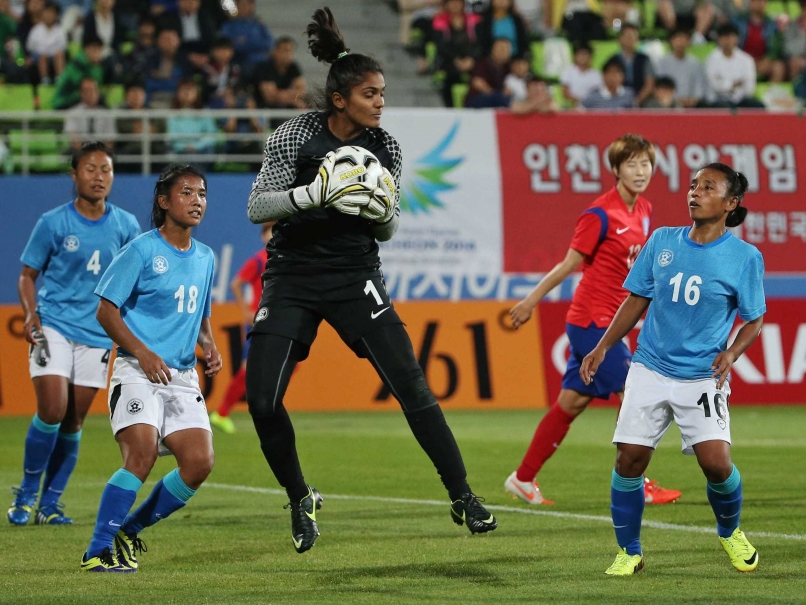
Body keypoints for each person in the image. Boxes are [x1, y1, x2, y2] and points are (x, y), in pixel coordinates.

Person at [245, 7, 498, 554]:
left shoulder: (386, 148)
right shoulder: (295, 136)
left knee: (411, 385)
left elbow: (387, 228)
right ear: (341, 100)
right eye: (371, 94)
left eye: (382, 93)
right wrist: (311, 195)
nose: (381, 102)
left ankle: (463, 496)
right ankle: (299, 497)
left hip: (356, 275)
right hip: (292, 276)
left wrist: (380, 209)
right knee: (262, 401)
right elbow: (255, 205)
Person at [581, 163, 765, 575]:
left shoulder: (745, 258)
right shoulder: (662, 240)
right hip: (650, 367)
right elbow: (636, 300)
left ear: (731, 203)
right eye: (694, 185)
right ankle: (629, 551)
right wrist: (603, 346)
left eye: (708, 187)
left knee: (717, 464)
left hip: (702, 376)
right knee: (628, 460)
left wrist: (733, 353)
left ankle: (730, 531)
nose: (695, 192)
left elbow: (754, 319)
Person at [505, 134, 682, 506]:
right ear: (615, 170)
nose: (640, 171)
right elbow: (570, 264)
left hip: (613, 320)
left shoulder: (645, 209)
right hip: (591, 322)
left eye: (645, 164)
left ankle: (522, 479)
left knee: (570, 403)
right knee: (632, 394)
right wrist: (530, 301)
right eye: (631, 164)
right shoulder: (599, 214)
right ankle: (639, 483)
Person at [81, 164, 221, 572]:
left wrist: (208, 345)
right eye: (187, 193)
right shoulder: (141, 250)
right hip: (137, 372)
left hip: (180, 377)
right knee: (140, 453)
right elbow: (106, 311)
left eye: (202, 193)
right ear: (164, 201)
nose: (197, 201)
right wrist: (141, 352)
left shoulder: (206, 257)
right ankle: (98, 548)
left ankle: (130, 529)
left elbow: (200, 311)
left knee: (199, 462)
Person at [9, 142, 140, 527]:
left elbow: (135, 280)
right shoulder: (53, 223)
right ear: (74, 175)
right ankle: (28, 492)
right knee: (51, 410)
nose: (99, 177)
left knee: (73, 421)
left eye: (106, 170)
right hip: (54, 325)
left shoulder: (126, 225)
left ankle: (50, 504)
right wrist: (31, 314)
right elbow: (27, 276)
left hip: (97, 334)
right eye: (91, 169)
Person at [210, 221, 274, 434]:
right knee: (249, 371)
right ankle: (222, 412)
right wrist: (246, 311)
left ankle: (265, 404)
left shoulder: (285, 259)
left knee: (290, 363)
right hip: (260, 322)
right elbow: (236, 283)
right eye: (269, 232)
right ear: (263, 236)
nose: (273, 236)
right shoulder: (258, 260)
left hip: (278, 321)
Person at [705, 23, 765, 108]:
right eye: (725, 38)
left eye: (731, 37)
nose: (728, 41)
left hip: (740, 99)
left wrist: (725, 84)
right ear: (719, 39)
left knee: (759, 106)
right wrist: (733, 84)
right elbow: (714, 85)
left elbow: (750, 88)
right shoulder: (712, 59)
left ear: (737, 39)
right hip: (718, 100)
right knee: (726, 108)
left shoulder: (746, 59)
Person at [732, 0, 785, 83]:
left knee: (778, 67)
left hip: (761, 61)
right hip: (741, 60)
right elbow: (730, 42)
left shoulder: (772, 24)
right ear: (751, 3)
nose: (760, 4)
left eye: (763, 2)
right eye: (757, 1)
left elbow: (776, 47)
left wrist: (769, 58)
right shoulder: (738, 21)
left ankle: (770, 93)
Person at [252, 36, 307, 110]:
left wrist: (282, 95)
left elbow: (302, 91)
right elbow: (270, 97)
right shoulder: (265, 67)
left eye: (290, 51)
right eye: (285, 50)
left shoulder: (293, 67)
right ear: (275, 51)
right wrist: (293, 99)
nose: (288, 54)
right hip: (264, 108)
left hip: (285, 106)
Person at [655, 29, 706, 108]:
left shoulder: (695, 63)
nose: (681, 43)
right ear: (671, 41)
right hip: (669, 102)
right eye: (678, 39)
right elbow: (661, 85)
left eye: (684, 39)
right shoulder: (662, 62)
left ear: (689, 42)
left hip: (692, 103)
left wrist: (694, 99)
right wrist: (675, 99)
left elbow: (699, 85)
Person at [51, 34, 104, 109]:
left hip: (78, 100)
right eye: (94, 49)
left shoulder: (96, 66)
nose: (97, 53)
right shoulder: (76, 64)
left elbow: (97, 82)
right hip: (63, 102)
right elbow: (85, 85)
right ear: (86, 50)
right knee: (91, 95)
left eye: (99, 50)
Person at [608, 24, 655, 106]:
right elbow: (609, 83)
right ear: (620, 39)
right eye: (627, 36)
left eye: (633, 36)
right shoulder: (613, 60)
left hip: (642, 100)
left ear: (637, 40)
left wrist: (637, 100)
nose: (630, 39)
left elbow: (649, 83)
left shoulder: (645, 59)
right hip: (617, 100)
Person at [63, 77, 117, 149]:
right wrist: (86, 152)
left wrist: (100, 153)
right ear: (81, 93)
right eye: (87, 90)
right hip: (79, 151)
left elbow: (110, 140)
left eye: (93, 90)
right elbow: (73, 138)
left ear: (98, 92)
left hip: (101, 152)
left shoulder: (106, 114)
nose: (91, 93)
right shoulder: (72, 113)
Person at [25, 0, 66, 84]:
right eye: (46, 13)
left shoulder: (60, 31)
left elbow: (62, 47)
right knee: (42, 56)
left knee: (59, 55)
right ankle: (44, 79)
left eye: (51, 13)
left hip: (54, 56)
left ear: (56, 15)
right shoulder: (36, 30)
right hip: (39, 57)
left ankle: (59, 78)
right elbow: (30, 47)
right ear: (42, 14)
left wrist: (50, 53)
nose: (48, 16)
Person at [464, 36, 512, 108]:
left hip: (500, 99)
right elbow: (477, 83)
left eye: (506, 49)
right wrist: (497, 95)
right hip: (479, 99)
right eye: (501, 48)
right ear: (492, 49)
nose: (503, 51)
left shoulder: (509, 67)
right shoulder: (483, 64)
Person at [560, 42, 603, 108]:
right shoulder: (568, 72)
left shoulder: (597, 74)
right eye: (580, 54)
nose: (583, 57)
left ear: (591, 57)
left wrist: (588, 102)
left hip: (592, 107)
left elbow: (599, 94)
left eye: (585, 54)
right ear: (574, 56)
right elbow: (565, 92)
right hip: (572, 105)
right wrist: (579, 101)